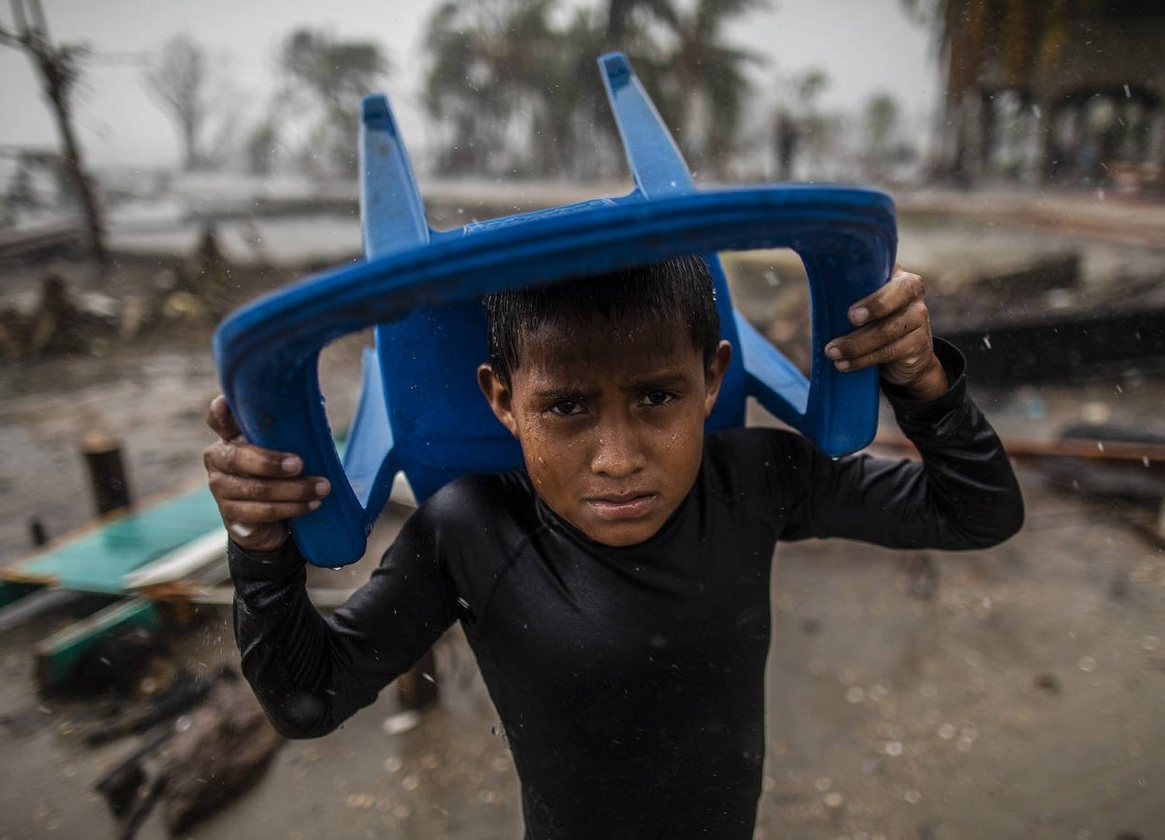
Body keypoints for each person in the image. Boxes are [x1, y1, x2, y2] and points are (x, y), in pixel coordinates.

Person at [204, 256, 1022, 838]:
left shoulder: (755, 477)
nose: (618, 457)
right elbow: (306, 698)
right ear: (502, 399)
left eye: (657, 396)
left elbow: (974, 512)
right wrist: (258, 541)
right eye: (565, 408)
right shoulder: (471, 528)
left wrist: (922, 383)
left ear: (712, 377)